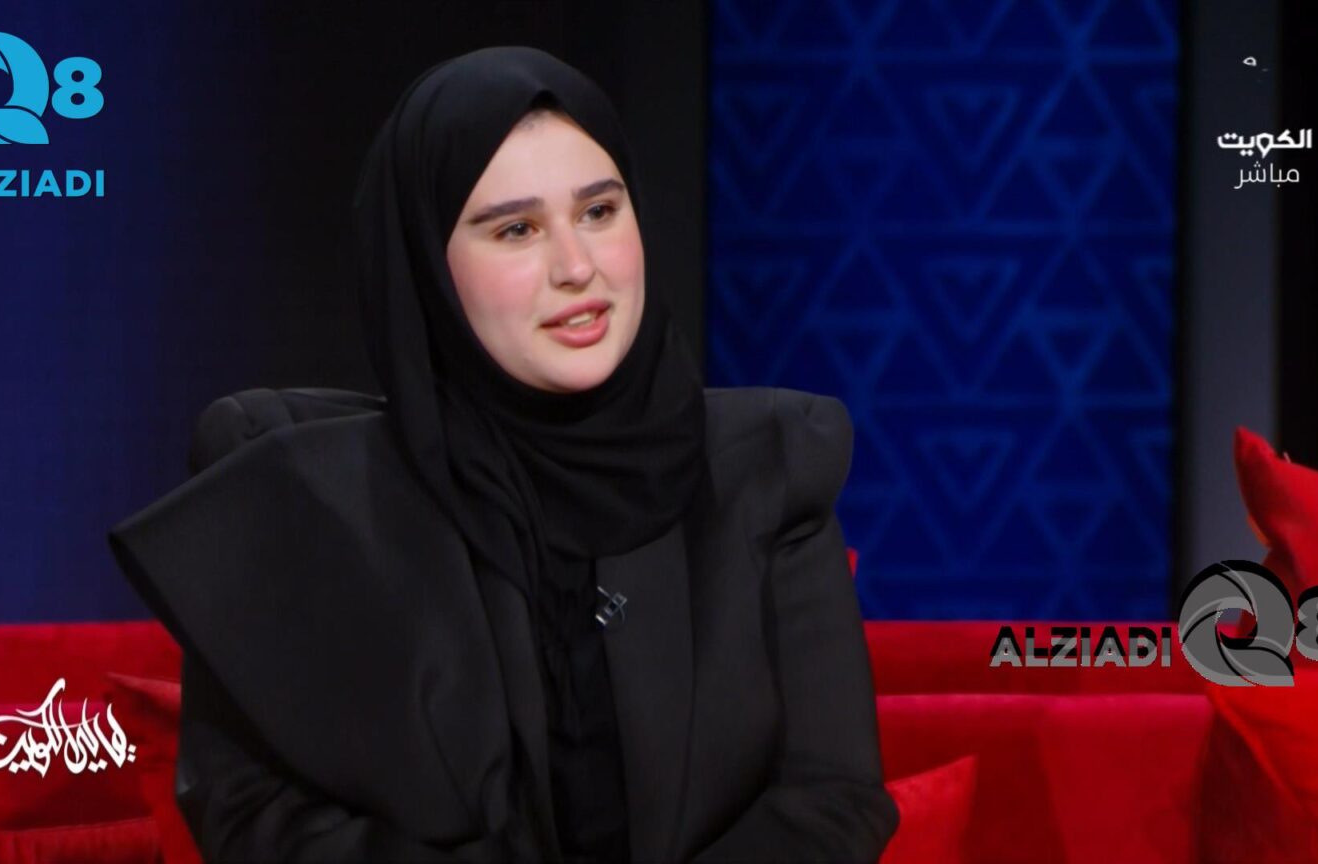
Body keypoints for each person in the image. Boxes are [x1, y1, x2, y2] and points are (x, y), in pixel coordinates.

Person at [109, 46, 896, 863]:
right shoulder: (302, 502)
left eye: (600, 211)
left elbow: (832, 801)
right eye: (517, 229)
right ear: (428, 265)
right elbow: (250, 816)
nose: (578, 267)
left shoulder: (772, 468)